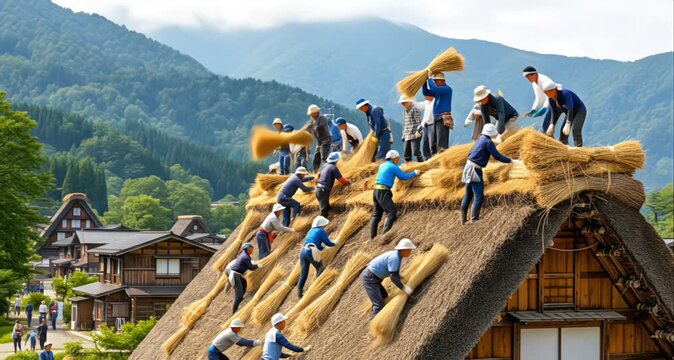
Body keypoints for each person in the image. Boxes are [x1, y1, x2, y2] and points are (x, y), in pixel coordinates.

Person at [461, 124, 513, 224]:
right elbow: (497, 156)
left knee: (468, 194)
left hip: (467, 167)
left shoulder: (480, 139)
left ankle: (463, 220)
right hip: (475, 170)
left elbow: (470, 154)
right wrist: (510, 160)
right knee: (478, 195)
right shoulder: (488, 142)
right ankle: (474, 219)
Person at [361, 238, 416, 318]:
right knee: (379, 304)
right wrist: (404, 288)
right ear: (404, 250)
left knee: (384, 296)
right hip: (370, 277)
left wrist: (402, 278)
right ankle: (374, 322)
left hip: (374, 277)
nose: (410, 252)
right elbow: (393, 277)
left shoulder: (397, 256)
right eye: (409, 250)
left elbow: (395, 274)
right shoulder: (395, 258)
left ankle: (378, 314)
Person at [370, 150, 419, 239]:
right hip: (383, 191)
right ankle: (385, 235)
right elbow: (404, 177)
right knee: (392, 212)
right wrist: (415, 173)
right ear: (394, 158)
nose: (398, 159)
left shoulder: (382, 165)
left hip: (376, 190)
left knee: (376, 215)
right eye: (398, 158)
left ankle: (372, 237)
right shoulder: (393, 167)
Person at [297, 216, 336, 298]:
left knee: (303, 273)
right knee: (320, 268)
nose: (325, 226)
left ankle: (299, 293)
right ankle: (316, 287)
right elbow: (327, 242)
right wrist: (334, 243)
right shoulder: (321, 230)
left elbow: (315, 242)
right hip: (311, 251)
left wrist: (323, 247)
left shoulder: (311, 230)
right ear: (322, 224)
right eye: (325, 224)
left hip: (303, 251)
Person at [541, 80, 587, 147]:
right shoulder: (551, 99)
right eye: (546, 93)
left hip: (579, 111)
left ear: (554, 90)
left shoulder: (565, 94)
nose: (547, 95)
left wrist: (568, 123)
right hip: (569, 113)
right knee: (563, 134)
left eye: (548, 92)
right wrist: (552, 124)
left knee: (576, 130)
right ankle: (564, 149)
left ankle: (579, 149)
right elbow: (554, 111)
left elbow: (570, 108)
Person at [422, 72, 453, 152]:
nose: (435, 82)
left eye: (436, 81)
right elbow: (426, 92)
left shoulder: (447, 89)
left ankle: (442, 160)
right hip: (436, 118)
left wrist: (429, 78)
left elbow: (434, 88)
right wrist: (424, 81)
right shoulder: (438, 91)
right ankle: (436, 159)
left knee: (441, 144)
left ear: (442, 81)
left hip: (443, 118)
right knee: (434, 143)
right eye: (434, 81)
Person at [225, 244, 260, 313]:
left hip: (237, 274)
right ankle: (234, 311)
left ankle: (241, 300)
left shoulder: (243, 254)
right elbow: (251, 267)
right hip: (235, 275)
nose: (252, 250)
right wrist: (257, 266)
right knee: (239, 295)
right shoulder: (246, 257)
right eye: (251, 248)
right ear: (248, 249)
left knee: (244, 283)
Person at [315, 152, 350, 217]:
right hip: (323, 190)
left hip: (318, 190)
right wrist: (348, 182)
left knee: (327, 207)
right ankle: (321, 224)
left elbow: (318, 175)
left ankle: (327, 222)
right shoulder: (333, 168)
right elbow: (341, 180)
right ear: (336, 160)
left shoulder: (324, 165)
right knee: (324, 210)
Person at [305, 104, 332, 172]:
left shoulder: (322, 118)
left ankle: (327, 172)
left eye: (312, 114)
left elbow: (320, 128)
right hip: (319, 143)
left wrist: (312, 128)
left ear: (316, 113)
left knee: (324, 158)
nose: (311, 115)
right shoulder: (313, 121)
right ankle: (316, 173)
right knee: (316, 159)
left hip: (325, 141)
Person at [398, 95, 424, 162]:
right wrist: (403, 134)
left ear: (409, 101)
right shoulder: (405, 111)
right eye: (402, 103)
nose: (403, 104)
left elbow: (419, 122)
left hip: (415, 134)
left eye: (405, 102)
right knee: (407, 154)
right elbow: (405, 124)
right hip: (407, 135)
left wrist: (418, 131)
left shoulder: (414, 109)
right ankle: (408, 166)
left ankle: (421, 163)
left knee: (415, 151)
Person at [421, 95, 436, 160]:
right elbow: (425, 116)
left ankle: (433, 162)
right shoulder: (427, 102)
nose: (425, 96)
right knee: (425, 147)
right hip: (425, 126)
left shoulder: (435, 101)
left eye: (427, 95)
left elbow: (430, 116)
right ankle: (426, 163)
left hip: (432, 125)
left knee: (432, 146)